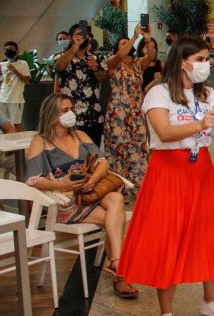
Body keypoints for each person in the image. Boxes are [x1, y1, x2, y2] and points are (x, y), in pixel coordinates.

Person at [118, 36, 214, 316]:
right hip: (168, 171)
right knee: (167, 239)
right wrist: (202, 124)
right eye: (199, 58)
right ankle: (166, 315)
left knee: (208, 233)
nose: (205, 64)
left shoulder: (208, 93)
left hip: (200, 172)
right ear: (182, 61)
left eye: (206, 58)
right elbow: (165, 131)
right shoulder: (157, 93)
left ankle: (210, 300)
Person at [27, 93, 137, 299]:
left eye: (71, 110)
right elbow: (33, 179)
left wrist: (94, 179)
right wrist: (61, 184)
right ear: (51, 114)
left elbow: (103, 162)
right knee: (115, 219)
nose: (70, 114)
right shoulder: (40, 142)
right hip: (66, 200)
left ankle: (116, 263)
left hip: (92, 191)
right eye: (64, 110)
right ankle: (119, 271)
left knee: (116, 199)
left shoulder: (81, 136)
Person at [104, 28, 156, 200]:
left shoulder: (138, 64)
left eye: (128, 44)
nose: (127, 46)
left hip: (135, 112)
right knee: (118, 149)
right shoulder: (112, 62)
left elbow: (152, 56)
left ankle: (139, 186)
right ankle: (120, 187)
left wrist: (147, 40)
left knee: (138, 147)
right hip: (118, 113)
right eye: (123, 44)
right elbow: (120, 55)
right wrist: (133, 36)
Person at [54, 24, 108, 146]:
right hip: (69, 116)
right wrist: (75, 46)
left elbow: (103, 77)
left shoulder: (97, 57)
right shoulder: (61, 56)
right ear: (70, 37)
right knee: (71, 153)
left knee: (93, 154)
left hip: (93, 114)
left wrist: (95, 68)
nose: (82, 37)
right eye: (78, 34)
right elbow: (59, 67)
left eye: (85, 35)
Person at [0, 41, 30, 131]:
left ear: (17, 51)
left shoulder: (23, 64)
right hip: (2, 98)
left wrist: (14, 70)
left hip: (15, 99)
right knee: (5, 125)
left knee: (16, 123)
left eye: (11, 49)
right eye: (6, 50)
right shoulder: (1, 64)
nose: (8, 51)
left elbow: (26, 80)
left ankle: (22, 144)